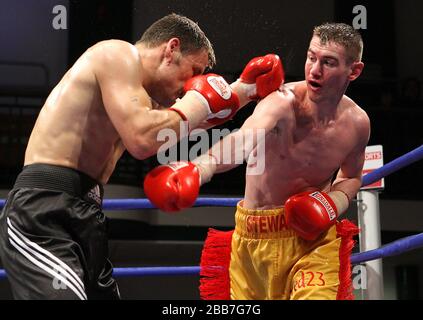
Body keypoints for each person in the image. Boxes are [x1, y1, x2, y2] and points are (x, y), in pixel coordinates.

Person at [0, 13, 283, 300]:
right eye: (194, 71)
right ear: (171, 49)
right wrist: (200, 99)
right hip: (45, 210)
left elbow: (176, 126)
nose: (191, 85)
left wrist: (244, 91)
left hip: (86, 213)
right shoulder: (117, 54)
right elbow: (143, 139)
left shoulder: (141, 100)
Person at [144, 22, 370, 300]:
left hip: (314, 242)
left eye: (329, 62)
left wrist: (333, 202)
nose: (315, 70)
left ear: (354, 71)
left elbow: (351, 176)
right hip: (253, 239)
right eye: (311, 57)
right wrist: (201, 167)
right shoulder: (282, 102)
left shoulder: (357, 124)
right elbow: (244, 139)